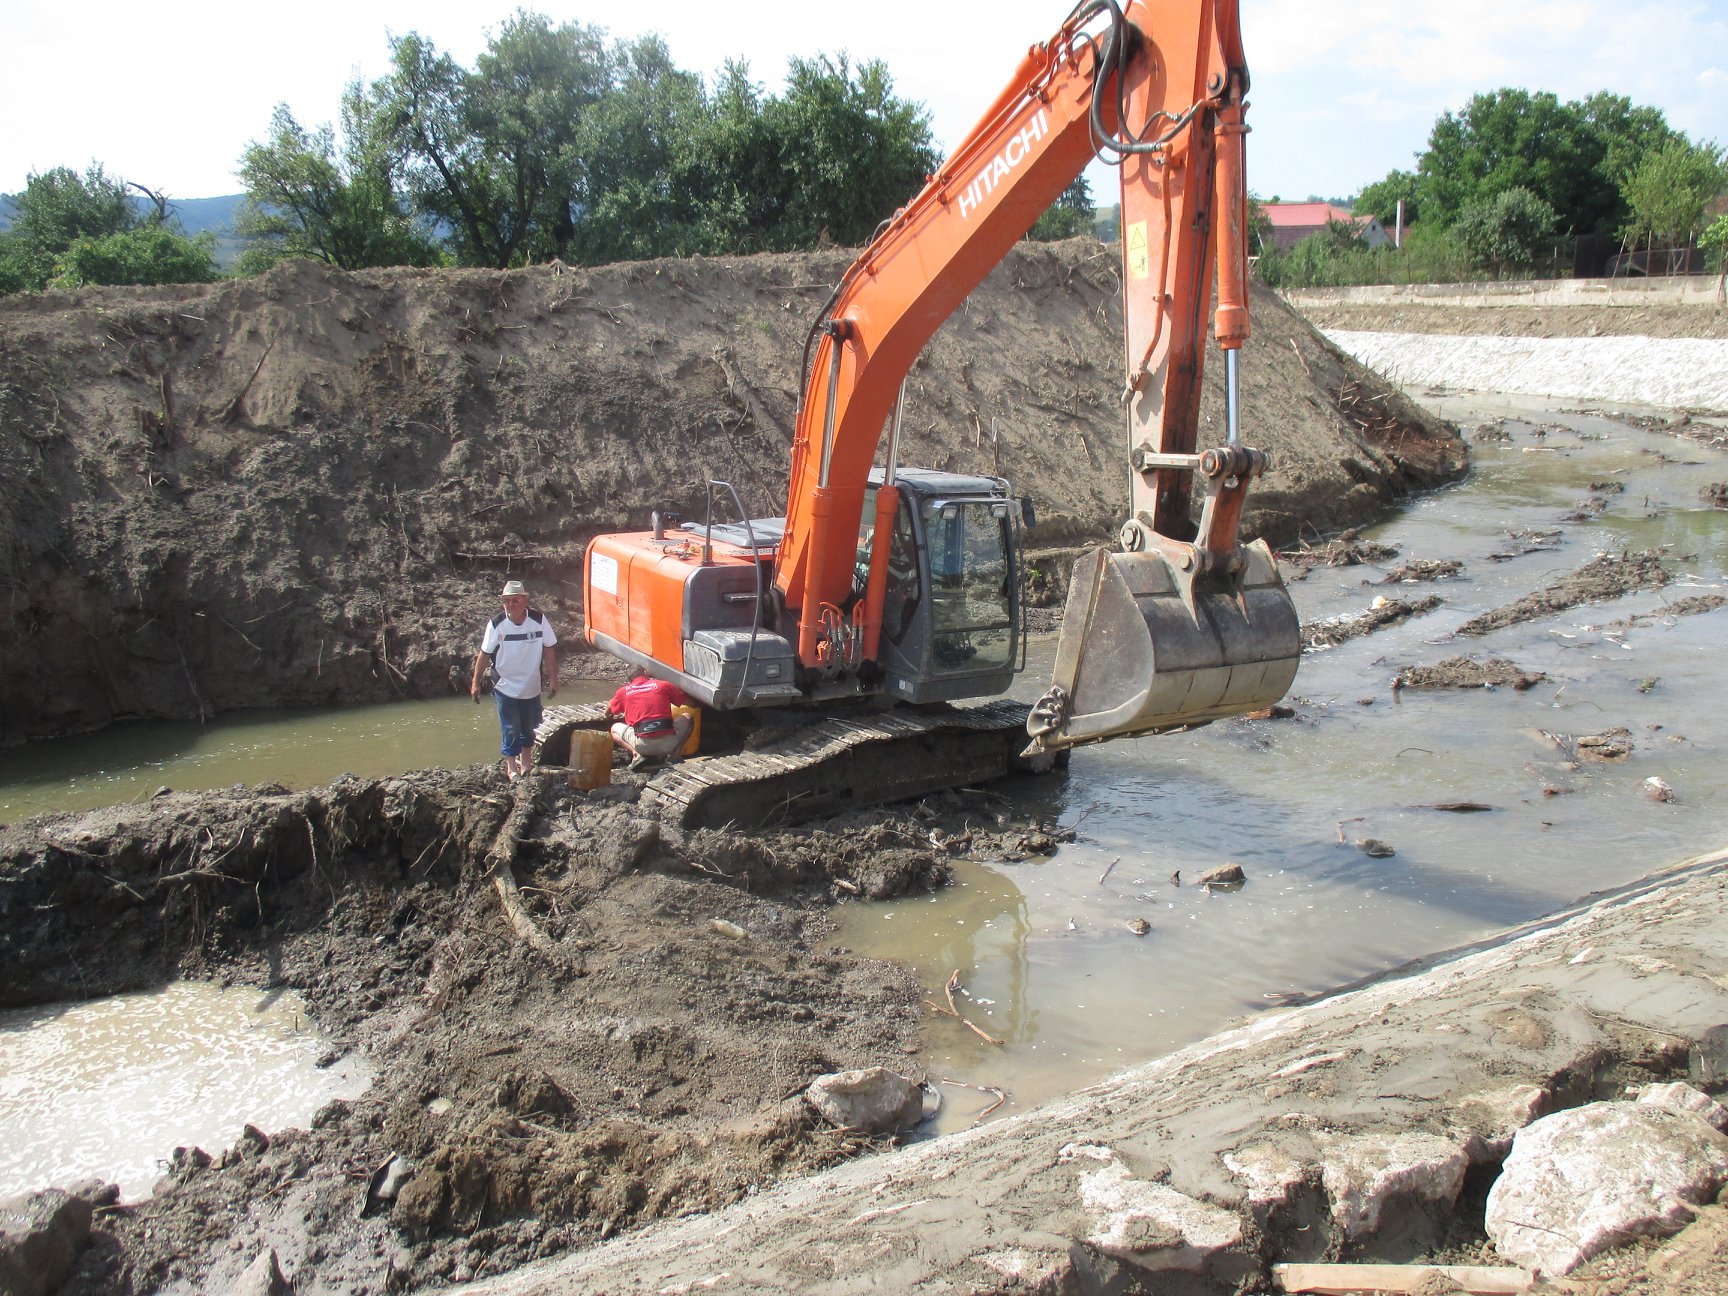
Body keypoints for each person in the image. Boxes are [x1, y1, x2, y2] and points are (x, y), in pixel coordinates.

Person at [471, 580, 558, 781]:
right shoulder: (496, 624)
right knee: (510, 727)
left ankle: (526, 764)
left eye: (515, 600)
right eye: (507, 601)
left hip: (531, 685)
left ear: (525, 601)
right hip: (505, 686)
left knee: (529, 726)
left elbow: (549, 649)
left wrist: (554, 679)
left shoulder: (539, 620)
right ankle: (511, 767)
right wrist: (475, 682)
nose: (511, 605)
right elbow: (484, 654)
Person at [607, 667, 693, 771]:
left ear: (629, 680)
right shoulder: (663, 685)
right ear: (645, 672)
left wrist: (609, 708)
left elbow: (610, 711)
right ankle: (675, 754)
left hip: (643, 746)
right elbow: (687, 702)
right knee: (688, 717)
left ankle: (636, 754)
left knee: (614, 728)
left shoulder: (623, 692)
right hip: (669, 743)